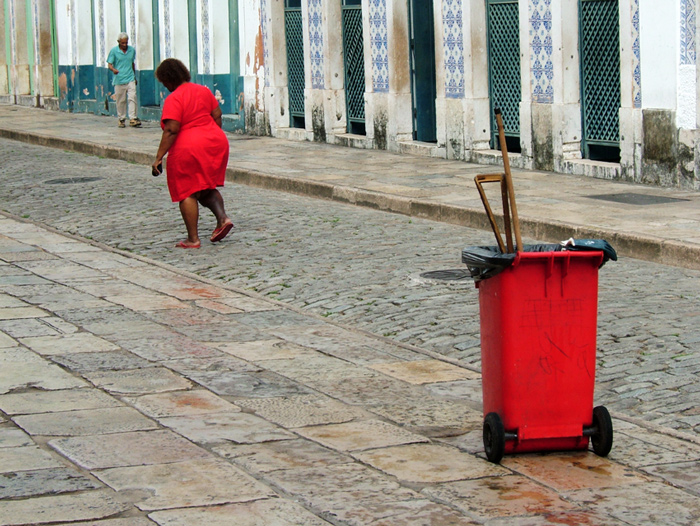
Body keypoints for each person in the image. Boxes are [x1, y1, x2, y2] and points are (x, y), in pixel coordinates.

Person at [152, 58, 233, 249]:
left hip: (189, 147)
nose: (165, 87)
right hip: (215, 142)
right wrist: (211, 135)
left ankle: (193, 239)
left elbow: (171, 129)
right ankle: (223, 219)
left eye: (164, 83)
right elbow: (217, 114)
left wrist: (158, 157)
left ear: (169, 79)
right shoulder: (203, 90)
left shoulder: (174, 98)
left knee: (187, 190)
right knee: (205, 186)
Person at [107, 33, 141, 128]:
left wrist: (134, 77)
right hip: (119, 79)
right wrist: (113, 70)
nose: (125, 45)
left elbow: (132, 63)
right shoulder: (114, 51)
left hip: (130, 77)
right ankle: (121, 118)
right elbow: (109, 64)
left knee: (132, 97)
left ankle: (133, 118)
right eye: (123, 43)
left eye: (126, 43)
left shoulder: (131, 50)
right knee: (121, 100)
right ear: (118, 42)